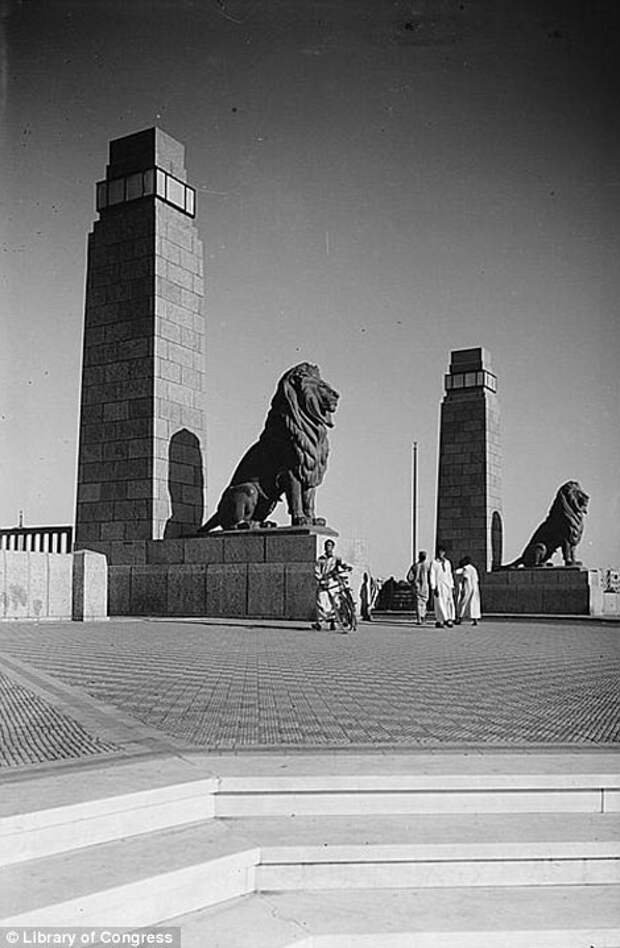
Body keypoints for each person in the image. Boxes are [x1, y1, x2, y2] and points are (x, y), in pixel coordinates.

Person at [312, 539, 350, 631]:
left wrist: (346, 567)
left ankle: (333, 621)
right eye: (326, 545)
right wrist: (321, 579)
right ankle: (320, 622)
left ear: (333, 547)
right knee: (321, 601)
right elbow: (317, 571)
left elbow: (343, 565)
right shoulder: (320, 559)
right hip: (323, 582)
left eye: (330, 545)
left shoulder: (336, 558)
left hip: (333, 583)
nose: (328, 547)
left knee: (335, 602)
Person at [429, 546, 455, 628]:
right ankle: (444, 619)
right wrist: (434, 586)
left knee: (448, 602)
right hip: (439, 585)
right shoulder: (434, 563)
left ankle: (445, 619)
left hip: (447, 585)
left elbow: (449, 574)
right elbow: (432, 575)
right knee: (439, 603)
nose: (441, 554)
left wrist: (452, 585)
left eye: (443, 552)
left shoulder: (447, 562)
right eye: (440, 552)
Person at [455, 556, 481, 626]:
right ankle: (475, 619)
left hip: (468, 587)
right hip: (475, 587)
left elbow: (465, 578)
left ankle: (460, 618)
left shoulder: (466, 568)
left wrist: (463, 588)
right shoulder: (473, 568)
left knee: (464, 602)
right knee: (474, 604)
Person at [407, 551, 431, 625]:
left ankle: (419, 618)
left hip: (417, 586)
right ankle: (422, 617)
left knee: (418, 603)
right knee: (423, 603)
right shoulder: (427, 566)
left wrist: (413, 582)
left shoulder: (415, 566)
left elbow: (409, 577)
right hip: (425, 586)